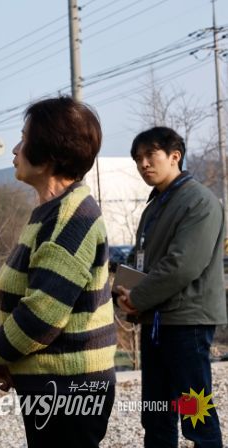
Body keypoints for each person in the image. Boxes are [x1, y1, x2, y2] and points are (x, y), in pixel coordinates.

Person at [0, 97, 116, 447]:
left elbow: (41, 316)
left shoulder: (72, 217)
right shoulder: (51, 211)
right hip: (53, 384)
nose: (15, 149)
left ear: (50, 152)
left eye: (24, 139)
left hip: (70, 387)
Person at [114, 126, 226, 447]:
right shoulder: (156, 204)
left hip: (187, 323)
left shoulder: (198, 201)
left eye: (151, 155)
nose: (143, 164)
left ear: (175, 156)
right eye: (138, 158)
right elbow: (143, 260)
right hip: (156, 321)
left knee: (195, 413)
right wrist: (125, 293)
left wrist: (138, 296)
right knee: (157, 413)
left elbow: (182, 264)